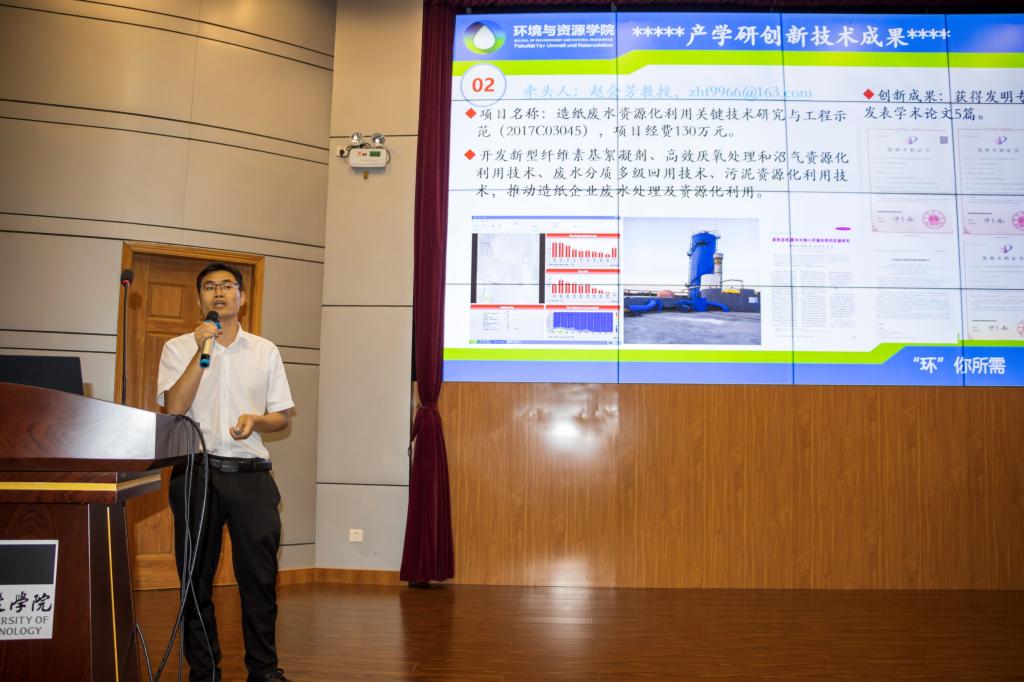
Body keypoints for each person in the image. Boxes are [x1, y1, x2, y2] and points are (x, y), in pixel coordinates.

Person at [157, 262, 294, 682]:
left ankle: (264, 670)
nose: (219, 292)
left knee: (259, 580)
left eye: (228, 285)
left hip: (252, 475)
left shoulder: (264, 350)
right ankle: (204, 672)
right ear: (199, 297)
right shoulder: (179, 347)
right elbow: (174, 407)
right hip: (196, 474)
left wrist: (256, 420)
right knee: (194, 581)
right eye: (209, 287)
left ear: (242, 297)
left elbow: (282, 417)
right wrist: (203, 351)